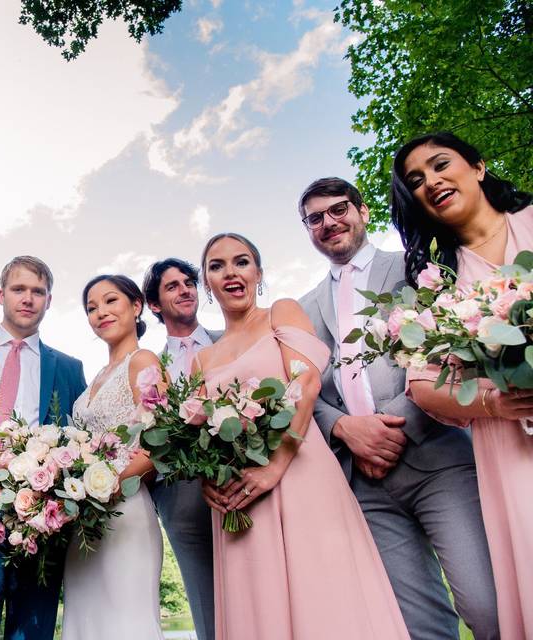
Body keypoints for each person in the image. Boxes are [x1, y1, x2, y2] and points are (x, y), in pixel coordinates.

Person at [297, 177, 496, 639]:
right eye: (315, 219)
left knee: (485, 604)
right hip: (366, 482)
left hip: (439, 460)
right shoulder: (304, 309)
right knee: (416, 624)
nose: (329, 223)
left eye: (339, 210)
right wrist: (346, 428)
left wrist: (388, 426)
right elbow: (308, 391)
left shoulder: (415, 269)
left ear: (363, 212)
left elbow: (450, 352)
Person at [197, 233, 410, 639]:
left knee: (324, 591)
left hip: (299, 469)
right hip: (239, 493)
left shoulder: (281, 312)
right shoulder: (202, 358)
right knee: (259, 603)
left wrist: (274, 468)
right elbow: (196, 433)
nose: (230, 273)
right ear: (207, 283)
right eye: (216, 266)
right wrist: (207, 478)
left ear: (258, 273)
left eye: (241, 262)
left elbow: (306, 383)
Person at [393, 132, 533, 640]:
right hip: (511, 445)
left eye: (440, 165)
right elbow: (422, 387)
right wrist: (495, 403)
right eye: (416, 180)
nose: (430, 181)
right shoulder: (434, 281)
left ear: (477, 165)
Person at [0, 256, 86, 640]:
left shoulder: (69, 367)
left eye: (38, 291)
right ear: (1, 295)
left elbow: (78, 442)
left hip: (41, 523)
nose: (28, 298)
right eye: (19, 289)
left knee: (33, 628)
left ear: (49, 300)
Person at [61, 274, 164, 640]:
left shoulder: (144, 361)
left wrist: (105, 489)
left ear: (136, 306)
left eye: (110, 301)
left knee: (125, 621)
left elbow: (160, 441)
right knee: (87, 621)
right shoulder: (96, 378)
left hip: (125, 509)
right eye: (91, 307)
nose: (100, 312)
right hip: (85, 523)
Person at [141, 258, 218, 640]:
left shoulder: (231, 341)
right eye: (171, 286)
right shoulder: (151, 367)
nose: (185, 289)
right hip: (180, 495)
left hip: (247, 484)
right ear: (153, 304)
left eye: (189, 282)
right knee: (206, 601)